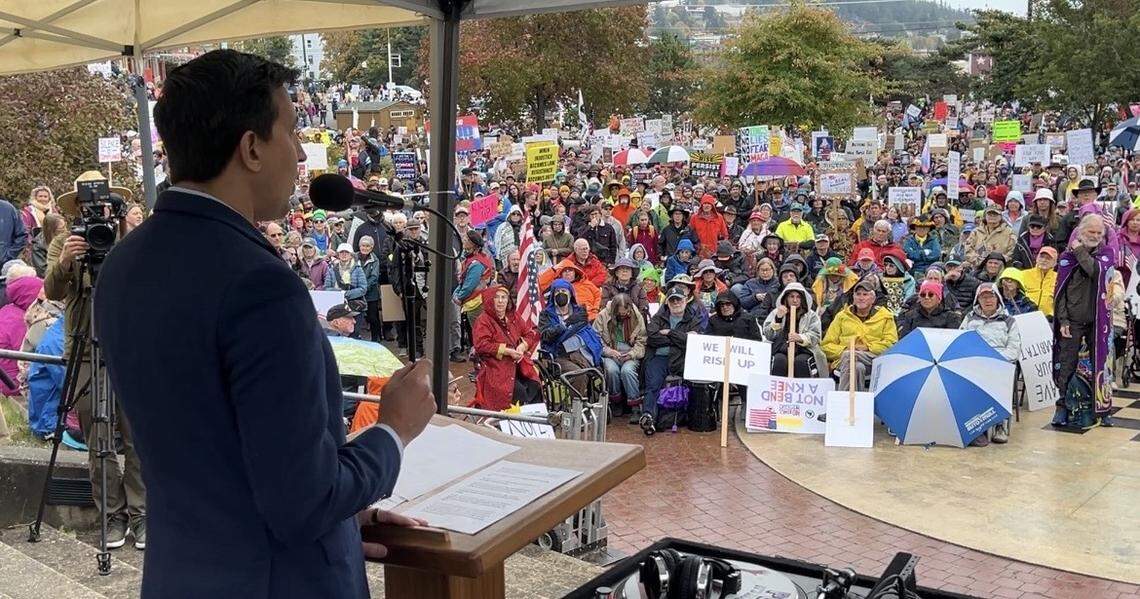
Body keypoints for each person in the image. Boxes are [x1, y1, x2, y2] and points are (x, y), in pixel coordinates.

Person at [93, 50, 436, 598]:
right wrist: (393, 430)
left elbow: (212, 451)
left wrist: (345, 518)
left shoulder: (122, 265)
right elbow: (303, 502)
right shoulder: (261, 285)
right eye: (293, 132)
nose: (301, 153)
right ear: (251, 148)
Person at [46, 172, 146, 551]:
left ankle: (142, 515)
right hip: (86, 350)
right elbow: (52, 290)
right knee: (98, 439)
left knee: (137, 436)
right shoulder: (65, 242)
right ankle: (112, 517)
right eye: (89, 204)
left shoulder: (129, 238)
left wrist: (120, 235)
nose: (96, 209)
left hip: (128, 349)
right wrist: (68, 260)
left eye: (103, 203)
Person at [1052, 213, 1115, 428]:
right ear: (1080, 232)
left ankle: (1104, 409)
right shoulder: (1066, 258)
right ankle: (1062, 407)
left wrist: (1079, 250)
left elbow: (1095, 272)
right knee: (1067, 364)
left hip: (1099, 321)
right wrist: (1063, 321)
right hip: (1073, 320)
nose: (1095, 236)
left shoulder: (1106, 254)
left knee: (1101, 364)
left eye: (1099, 233)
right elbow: (1059, 293)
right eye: (1091, 231)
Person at [959, 283, 1021, 445]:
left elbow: (1014, 349)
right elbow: (960, 342)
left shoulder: (1009, 321)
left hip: (999, 363)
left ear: (998, 298)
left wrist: (993, 359)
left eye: (991, 296)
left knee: (998, 379)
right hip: (974, 362)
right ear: (977, 299)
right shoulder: (969, 318)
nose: (987, 300)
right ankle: (973, 424)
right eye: (983, 297)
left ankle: (1001, 425)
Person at [642, 287, 702, 435]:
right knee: (653, 385)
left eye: (679, 299)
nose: (676, 303)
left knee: (691, 383)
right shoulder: (659, 318)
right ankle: (648, 416)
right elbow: (652, 338)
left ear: (686, 300)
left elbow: (692, 342)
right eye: (672, 300)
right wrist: (679, 338)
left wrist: (670, 332)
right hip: (659, 357)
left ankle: (687, 417)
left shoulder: (693, 319)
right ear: (667, 303)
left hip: (681, 359)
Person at [821, 277, 898, 391]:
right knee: (857, 367)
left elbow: (891, 344)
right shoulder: (842, 316)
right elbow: (826, 346)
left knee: (850, 355)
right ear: (853, 298)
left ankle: (844, 401)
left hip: (874, 359)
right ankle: (858, 404)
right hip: (844, 360)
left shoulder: (885, 316)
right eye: (858, 294)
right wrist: (846, 349)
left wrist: (867, 347)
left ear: (873, 299)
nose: (861, 298)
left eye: (865, 294)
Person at [472, 285, 541, 411]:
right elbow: (481, 345)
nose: (500, 301)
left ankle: (531, 421)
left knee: (535, 384)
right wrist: (507, 351)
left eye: (504, 297)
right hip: (496, 366)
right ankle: (511, 420)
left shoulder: (513, 317)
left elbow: (531, 334)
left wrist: (523, 345)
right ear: (490, 300)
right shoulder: (483, 320)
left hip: (519, 364)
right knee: (518, 391)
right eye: (496, 297)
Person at [593, 294, 647, 419]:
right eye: (620, 313)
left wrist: (632, 354)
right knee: (611, 370)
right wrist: (609, 351)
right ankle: (615, 401)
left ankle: (635, 405)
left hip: (631, 352)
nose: (623, 315)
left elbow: (642, 341)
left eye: (625, 312)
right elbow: (595, 340)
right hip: (610, 352)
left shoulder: (636, 315)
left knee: (627, 371)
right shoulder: (603, 316)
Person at [763, 282, 825, 377]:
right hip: (780, 348)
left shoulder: (811, 315)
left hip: (805, 350)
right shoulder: (777, 312)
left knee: (801, 362)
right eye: (791, 297)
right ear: (786, 298)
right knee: (779, 362)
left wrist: (800, 337)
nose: (795, 300)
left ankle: (805, 390)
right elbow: (768, 335)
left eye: (798, 297)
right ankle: (778, 391)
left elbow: (816, 336)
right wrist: (778, 319)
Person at [896, 280, 962, 338]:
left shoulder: (951, 317)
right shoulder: (910, 316)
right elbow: (905, 340)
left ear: (939, 299)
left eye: (931, 294)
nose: (926, 297)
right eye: (923, 294)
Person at [964, 206, 1017, 271]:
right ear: (985, 216)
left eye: (995, 214)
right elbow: (968, 249)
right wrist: (979, 261)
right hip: (977, 269)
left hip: (1000, 269)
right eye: (989, 214)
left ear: (1001, 217)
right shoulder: (976, 231)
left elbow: (1012, 252)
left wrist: (997, 262)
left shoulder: (1009, 232)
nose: (992, 216)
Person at [323, 243, 367, 307]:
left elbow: (363, 288)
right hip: (335, 303)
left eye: (347, 252)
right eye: (341, 252)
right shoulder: (331, 270)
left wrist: (346, 294)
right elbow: (326, 288)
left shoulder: (358, 269)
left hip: (354, 304)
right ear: (338, 255)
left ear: (351, 255)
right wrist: (340, 292)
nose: (344, 254)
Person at [357, 236, 382, 342]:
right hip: (356, 292)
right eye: (363, 245)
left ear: (371, 247)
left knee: (372, 317)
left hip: (371, 293)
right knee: (357, 316)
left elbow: (374, 277)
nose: (365, 248)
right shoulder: (353, 257)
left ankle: (376, 338)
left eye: (368, 246)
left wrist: (364, 287)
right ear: (359, 246)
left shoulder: (375, 260)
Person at [1021, 246, 1057, 318]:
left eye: (1048, 258)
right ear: (1037, 259)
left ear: (1054, 263)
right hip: (1024, 316)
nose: (1044, 260)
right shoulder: (1023, 274)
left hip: (1048, 319)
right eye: (1042, 257)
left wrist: (1052, 314)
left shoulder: (1058, 278)